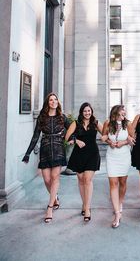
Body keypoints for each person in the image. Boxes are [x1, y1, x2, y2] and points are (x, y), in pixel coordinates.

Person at [22, 92, 70, 223]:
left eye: (55, 99)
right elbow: (35, 136)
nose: (53, 101)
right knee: (47, 179)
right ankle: (55, 198)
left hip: (58, 149)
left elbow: (72, 128)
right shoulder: (42, 118)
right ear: (47, 103)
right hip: (45, 150)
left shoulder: (62, 117)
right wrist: (27, 153)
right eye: (51, 100)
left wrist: (72, 138)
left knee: (55, 178)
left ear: (58, 102)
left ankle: (50, 207)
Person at [65, 102, 103, 222]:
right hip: (79, 154)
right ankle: (84, 204)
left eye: (89, 111)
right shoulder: (76, 123)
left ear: (91, 111)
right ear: (82, 112)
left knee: (87, 179)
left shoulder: (96, 123)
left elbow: (106, 133)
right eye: (85, 111)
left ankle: (87, 208)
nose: (87, 113)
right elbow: (67, 137)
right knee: (81, 180)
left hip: (92, 153)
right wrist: (76, 140)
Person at [102, 105, 135, 228]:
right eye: (121, 114)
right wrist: (109, 142)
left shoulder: (128, 124)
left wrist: (124, 142)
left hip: (124, 156)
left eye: (124, 114)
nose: (123, 116)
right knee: (113, 183)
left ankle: (120, 202)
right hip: (111, 156)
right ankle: (117, 213)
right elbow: (104, 137)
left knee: (122, 183)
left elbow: (133, 139)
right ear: (115, 114)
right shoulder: (108, 123)